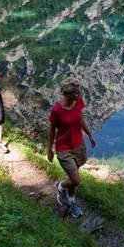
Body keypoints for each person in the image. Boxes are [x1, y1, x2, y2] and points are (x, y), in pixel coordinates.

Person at [47, 81, 96, 219]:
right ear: (67, 95)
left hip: (78, 146)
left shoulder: (78, 102)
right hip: (64, 148)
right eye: (76, 93)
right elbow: (51, 130)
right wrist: (49, 149)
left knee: (73, 177)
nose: (79, 95)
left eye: (79, 92)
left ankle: (71, 202)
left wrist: (89, 134)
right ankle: (60, 186)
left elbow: (80, 119)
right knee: (76, 180)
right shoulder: (57, 110)